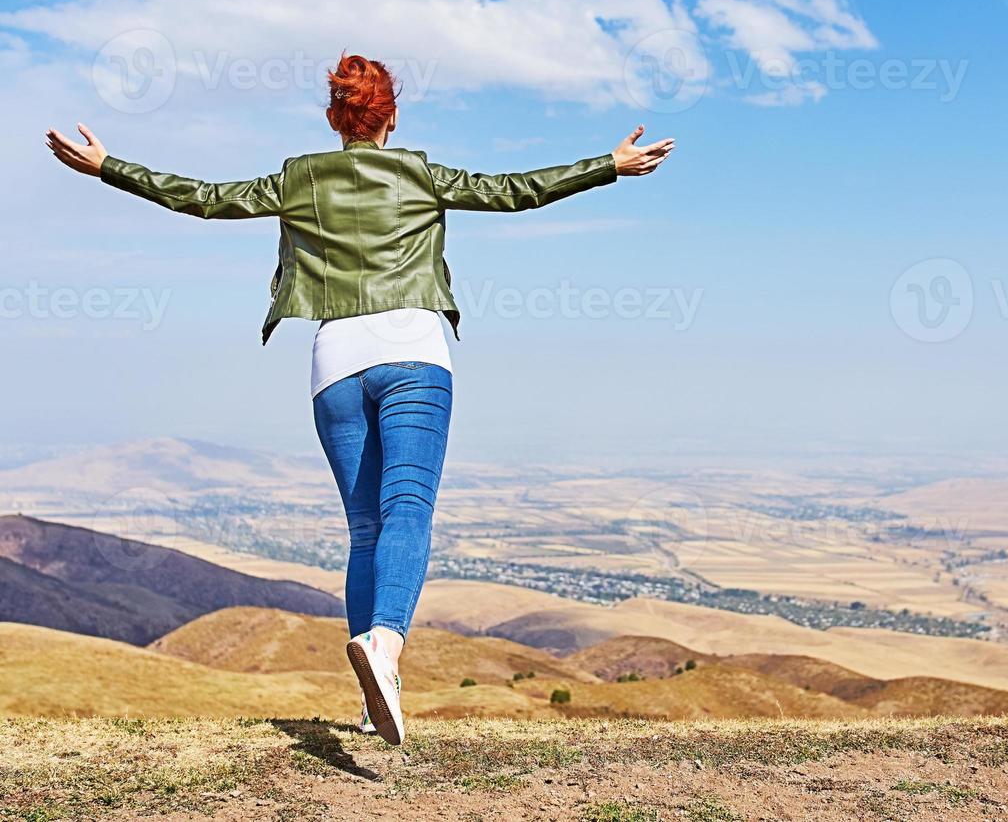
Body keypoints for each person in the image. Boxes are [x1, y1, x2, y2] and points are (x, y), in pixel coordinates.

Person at [44, 54, 675, 745]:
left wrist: (111, 167)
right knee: (407, 510)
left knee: (365, 530)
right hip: (414, 355)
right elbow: (515, 189)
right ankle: (387, 651)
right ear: (392, 119)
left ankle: (374, 702)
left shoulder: (297, 179)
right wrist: (606, 165)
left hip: (335, 363)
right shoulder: (422, 174)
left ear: (333, 121)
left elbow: (203, 196)